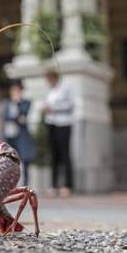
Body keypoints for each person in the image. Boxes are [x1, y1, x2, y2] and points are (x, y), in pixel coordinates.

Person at [42, 68, 74, 198]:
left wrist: (53, 108)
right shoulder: (51, 91)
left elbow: (70, 105)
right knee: (54, 155)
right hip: (52, 123)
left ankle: (67, 185)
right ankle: (54, 186)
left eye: (49, 79)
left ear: (54, 77)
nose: (48, 82)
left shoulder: (66, 88)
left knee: (65, 155)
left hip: (64, 124)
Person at [2, 80, 35, 186]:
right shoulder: (7, 103)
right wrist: (17, 118)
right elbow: (5, 116)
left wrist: (17, 103)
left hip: (21, 135)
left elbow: (24, 113)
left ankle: (26, 184)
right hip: (9, 135)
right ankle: (11, 183)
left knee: (25, 159)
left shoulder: (25, 102)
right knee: (10, 159)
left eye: (17, 90)